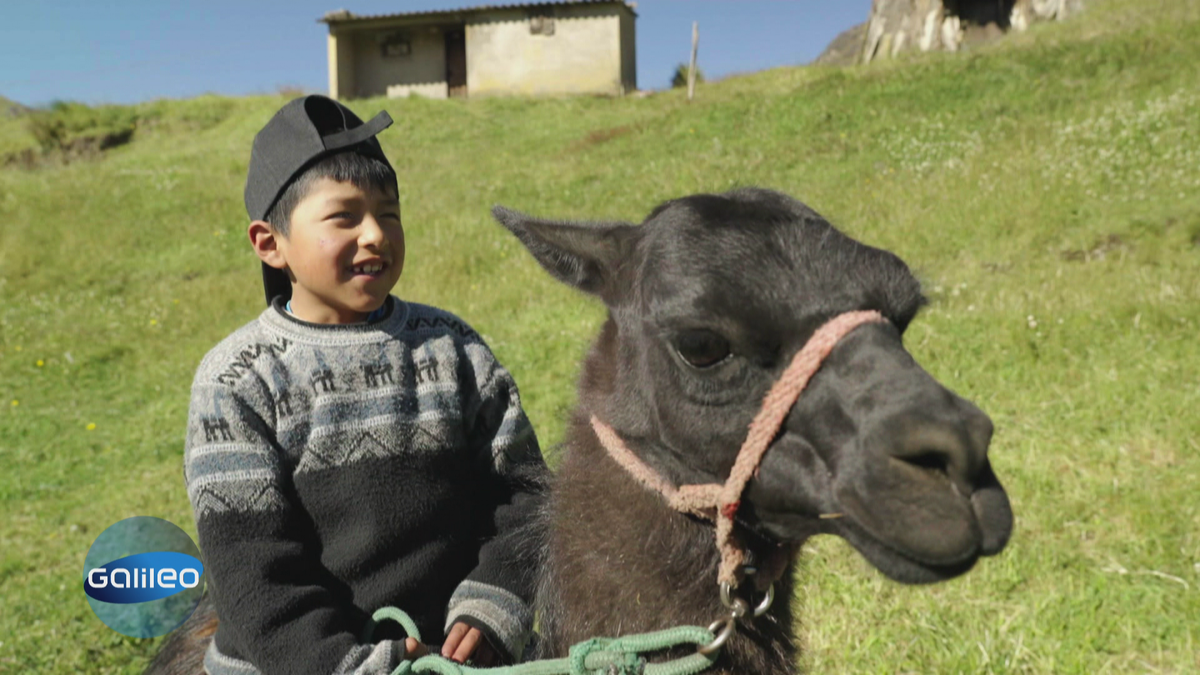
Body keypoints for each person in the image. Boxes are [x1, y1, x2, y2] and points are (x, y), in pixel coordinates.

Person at [183, 95, 546, 675]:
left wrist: (492, 604)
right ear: (269, 243)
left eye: (389, 212)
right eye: (344, 216)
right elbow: (252, 574)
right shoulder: (239, 380)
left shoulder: (451, 347)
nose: (376, 233)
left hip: (449, 662)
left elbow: (525, 495)